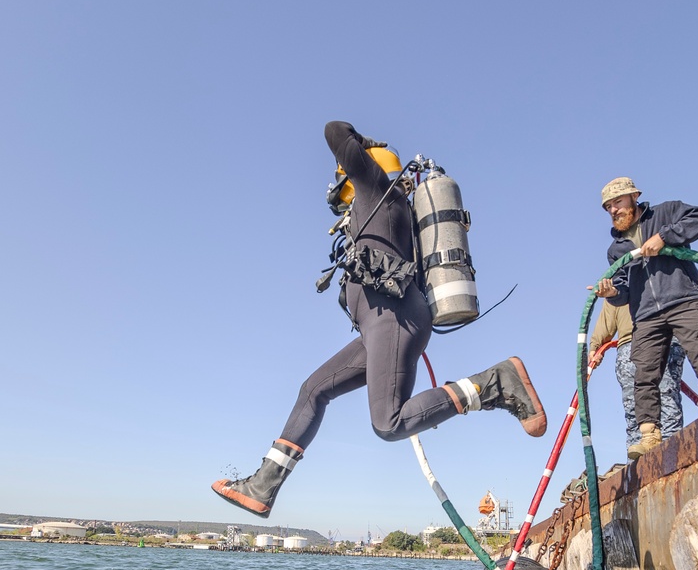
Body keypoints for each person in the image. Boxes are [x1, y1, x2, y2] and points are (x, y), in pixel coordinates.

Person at [212, 121, 547, 518]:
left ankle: (495, 381)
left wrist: (359, 142)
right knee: (313, 390)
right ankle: (263, 487)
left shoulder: (377, 191)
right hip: (381, 325)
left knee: (388, 423)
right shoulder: (375, 212)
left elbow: (333, 131)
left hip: (394, 318)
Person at [595, 177, 698, 460]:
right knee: (643, 376)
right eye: (608, 206)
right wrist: (611, 292)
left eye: (617, 202)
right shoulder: (616, 249)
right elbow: (623, 294)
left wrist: (665, 237)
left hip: (685, 301)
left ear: (634, 197)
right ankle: (649, 436)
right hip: (646, 316)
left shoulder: (666, 213)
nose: (613, 210)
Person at [589, 300, 685, 450]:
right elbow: (608, 316)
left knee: (666, 400)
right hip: (630, 344)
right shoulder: (618, 281)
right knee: (635, 407)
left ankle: (672, 455)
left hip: (663, 338)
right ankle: (638, 464)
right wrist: (596, 346)